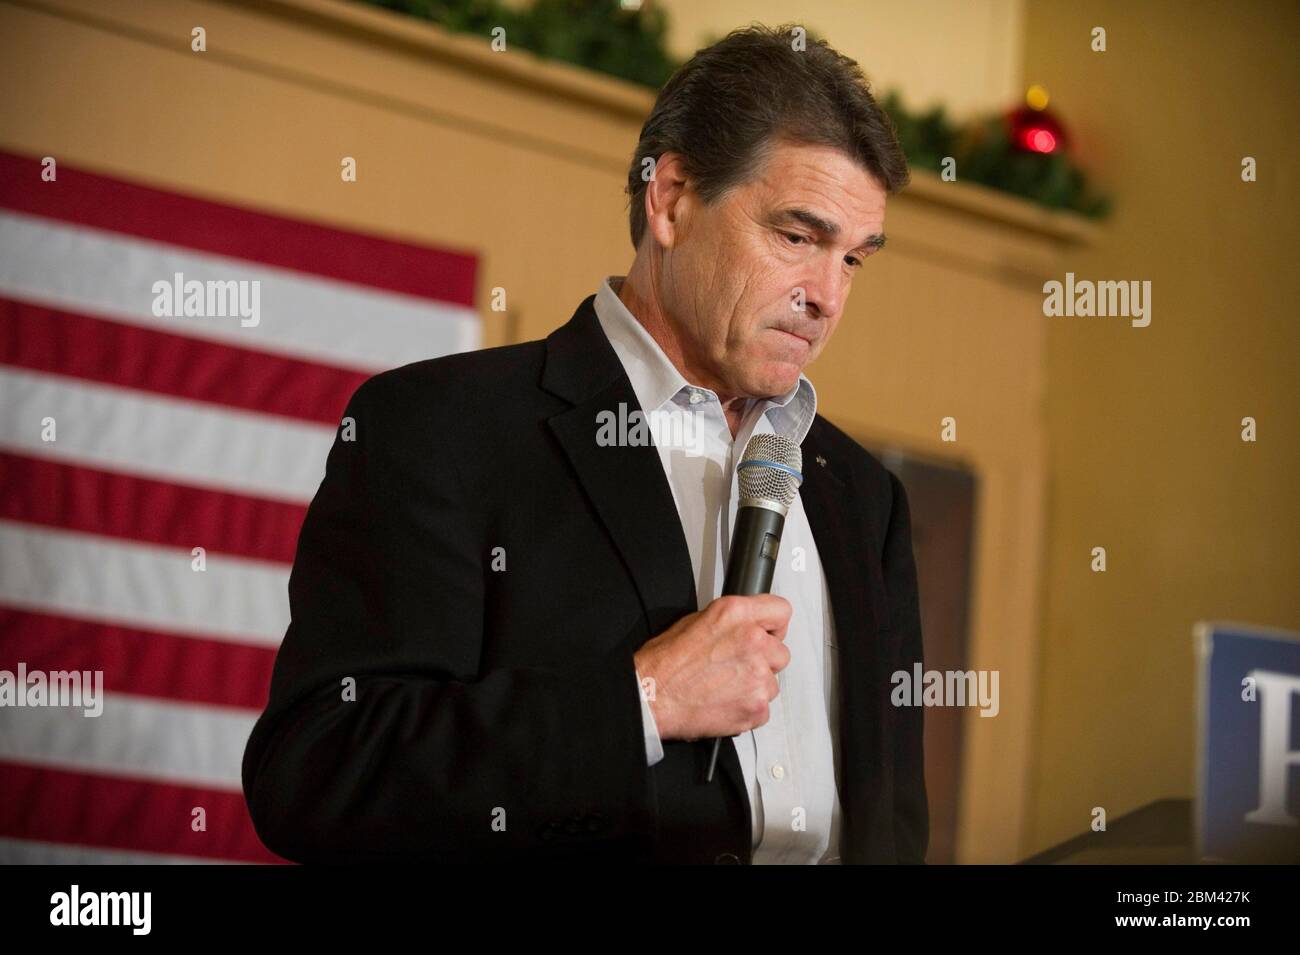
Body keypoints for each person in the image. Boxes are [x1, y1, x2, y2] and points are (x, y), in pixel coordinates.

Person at [242, 23, 927, 865]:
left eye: (855, 259)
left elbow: (891, 824)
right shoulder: (445, 427)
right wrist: (642, 701)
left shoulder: (861, 494)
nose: (827, 295)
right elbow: (318, 771)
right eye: (797, 236)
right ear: (670, 199)